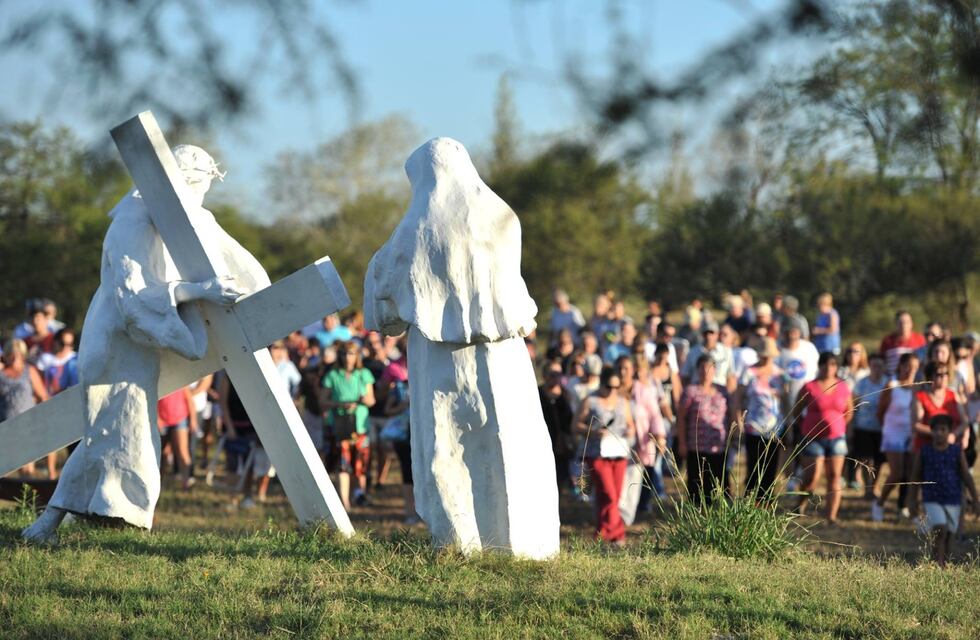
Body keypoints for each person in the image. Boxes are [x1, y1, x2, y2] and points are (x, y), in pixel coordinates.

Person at [24, 144, 266, 542]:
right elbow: (132, 297)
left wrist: (249, 288)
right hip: (118, 341)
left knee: (111, 433)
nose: (200, 199)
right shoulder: (132, 220)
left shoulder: (177, 219)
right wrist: (201, 290)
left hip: (141, 340)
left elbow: (237, 263)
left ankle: (65, 521)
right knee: (115, 433)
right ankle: (81, 522)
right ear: (181, 182)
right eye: (199, 188)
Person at [575, 367, 635, 544]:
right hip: (597, 453)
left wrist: (630, 431)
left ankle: (603, 532)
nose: (613, 391)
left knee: (612, 495)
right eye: (609, 387)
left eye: (617, 387)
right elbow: (575, 425)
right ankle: (616, 533)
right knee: (608, 493)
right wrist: (593, 431)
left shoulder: (623, 402)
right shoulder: (590, 401)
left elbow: (630, 424)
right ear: (602, 384)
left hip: (618, 453)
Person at [909, 415, 979, 567]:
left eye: (943, 429)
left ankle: (942, 565)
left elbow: (966, 476)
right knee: (940, 529)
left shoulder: (956, 451)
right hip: (931, 498)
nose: (939, 433)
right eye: (936, 430)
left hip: (953, 498)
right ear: (931, 431)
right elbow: (915, 476)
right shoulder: (925, 451)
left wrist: (975, 499)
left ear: (949, 431)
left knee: (948, 536)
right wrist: (912, 500)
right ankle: (937, 565)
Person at [792, 352, 853, 524]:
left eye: (833, 364)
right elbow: (796, 411)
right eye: (825, 364)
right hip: (812, 438)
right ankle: (800, 505)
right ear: (820, 366)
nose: (828, 368)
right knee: (812, 477)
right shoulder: (809, 387)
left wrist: (839, 425)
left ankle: (831, 515)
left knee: (834, 476)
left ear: (837, 367)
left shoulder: (843, 386)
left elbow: (849, 411)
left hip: (836, 438)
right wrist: (807, 427)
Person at [322, 340, 376, 510]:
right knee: (342, 464)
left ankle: (360, 495)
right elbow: (323, 401)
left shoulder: (364, 374)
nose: (348, 357)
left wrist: (362, 400)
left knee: (360, 463)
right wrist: (340, 405)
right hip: (340, 424)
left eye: (351, 353)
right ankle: (344, 501)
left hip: (360, 424)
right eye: (344, 353)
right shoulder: (333, 375)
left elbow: (371, 400)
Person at [735, 337, 786, 501]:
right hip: (753, 426)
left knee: (770, 469)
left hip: (775, 428)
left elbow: (785, 401)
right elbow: (738, 398)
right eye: (764, 355)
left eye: (769, 355)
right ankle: (750, 502)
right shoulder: (749, 372)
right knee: (753, 467)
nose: (766, 358)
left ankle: (766, 503)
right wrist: (738, 421)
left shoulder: (779, 374)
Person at [677, 355, 732, 505]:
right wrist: (682, 443)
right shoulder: (690, 391)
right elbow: (681, 418)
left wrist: (732, 437)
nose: (705, 371)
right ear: (697, 370)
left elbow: (730, 415)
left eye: (709, 368)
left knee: (720, 485)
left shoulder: (722, 391)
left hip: (719, 447)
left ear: (715, 370)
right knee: (698, 486)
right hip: (697, 447)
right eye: (702, 368)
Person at [617, 355, 665, 524]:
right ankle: (617, 513)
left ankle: (629, 514)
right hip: (617, 442)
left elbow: (655, 415)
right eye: (620, 368)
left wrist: (660, 437)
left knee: (636, 477)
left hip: (640, 442)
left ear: (633, 370)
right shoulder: (612, 390)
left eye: (626, 368)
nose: (623, 372)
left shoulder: (643, 391)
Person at [873, 352, 920, 521]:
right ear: (900, 366)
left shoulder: (918, 387)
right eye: (907, 366)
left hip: (912, 433)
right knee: (897, 473)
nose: (910, 370)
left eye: (914, 367)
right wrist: (887, 427)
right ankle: (880, 502)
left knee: (911, 473)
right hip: (893, 434)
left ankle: (906, 506)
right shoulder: (892, 385)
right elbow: (880, 411)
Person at [0, 339, 49, 476]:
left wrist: (45, 418)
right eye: (12, 354)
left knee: (27, 468)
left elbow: (42, 396)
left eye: (19, 354)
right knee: (5, 467)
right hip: (6, 426)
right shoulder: (1, 374)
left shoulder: (30, 371)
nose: (15, 358)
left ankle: (26, 488)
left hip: (27, 425)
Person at [851, 352, 887, 498]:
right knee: (866, 459)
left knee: (879, 460)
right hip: (863, 427)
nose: (877, 369)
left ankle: (875, 486)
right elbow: (853, 404)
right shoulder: (862, 383)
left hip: (882, 428)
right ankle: (867, 487)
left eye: (880, 366)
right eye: (874, 366)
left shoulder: (888, 383)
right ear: (870, 366)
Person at [913, 362, 967, 454]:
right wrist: (938, 434)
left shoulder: (953, 396)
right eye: (939, 374)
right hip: (927, 448)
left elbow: (964, 422)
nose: (944, 377)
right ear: (930, 377)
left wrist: (953, 435)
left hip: (950, 448)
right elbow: (917, 425)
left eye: (946, 374)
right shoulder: (921, 397)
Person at [538, 360, 576, 491]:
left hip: (563, 449)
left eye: (559, 374)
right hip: (542, 446)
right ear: (544, 375)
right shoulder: (536, 394)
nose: (555, 377)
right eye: (552, 374)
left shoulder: (566, 395)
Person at [157, 386, 197, 490]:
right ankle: (158, 484)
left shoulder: (181, 384)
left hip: (180, 419)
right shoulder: (159, 382)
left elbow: (189, 400)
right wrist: (157, 418)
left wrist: (193, 420)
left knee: (183, 453)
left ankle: (186, 482)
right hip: (162, 420)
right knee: (162, 454)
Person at [681, 321, 736, 392]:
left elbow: (731, 377)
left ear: (717, 334)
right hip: (697, 392)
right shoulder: (693, 352)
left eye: (711, 333)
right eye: (706, 333)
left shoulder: (726, 352)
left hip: (719, 391)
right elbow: (685, 376)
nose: (708, 336)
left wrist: (730, 395)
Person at [880, 310, 927, 376]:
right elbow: (882, 361)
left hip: (914, 378)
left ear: (911, 323)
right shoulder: (887, 340)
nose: (904, 325)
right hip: (892, 378)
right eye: (900, 322)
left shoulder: (920, 339)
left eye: (907, 322)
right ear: (896, 324)